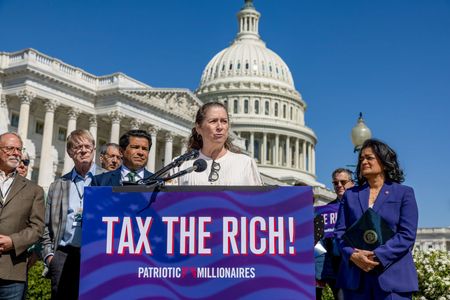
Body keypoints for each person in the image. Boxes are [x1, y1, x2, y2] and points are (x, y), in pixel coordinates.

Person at [334, 139, 418, 299]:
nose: (364, 161)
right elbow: (340, 233)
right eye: (361, 159)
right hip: (356, 278)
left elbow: (407, 235)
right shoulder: (350, 196)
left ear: (384, 162)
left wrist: (377, 255)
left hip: (393, 279)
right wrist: (352, 255)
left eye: (369, 158)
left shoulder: (404, 193)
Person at [41, 129, 101, 300]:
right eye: (77, 147)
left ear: (94, 149)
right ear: (69, 152)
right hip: (64, 255)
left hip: (97, 255)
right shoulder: (58, 185)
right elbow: (45, 226)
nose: (83, 150)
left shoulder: (106, 180)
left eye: (87, 146)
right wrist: (50, 256)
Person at [172, 102, 262, 185]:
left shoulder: (245, 163)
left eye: (224, 121)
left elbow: (258, 200)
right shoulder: (181, 165)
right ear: (198, 128)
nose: (220, 127)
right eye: (213, 121)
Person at [0, 132, 44, 299]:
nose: (16, 153)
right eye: (10, 148)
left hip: (12, 271)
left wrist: (13, 241)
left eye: (19, 149)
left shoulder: (34, 190)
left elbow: (37, 228)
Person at [316, 168, 354, 300]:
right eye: (335, 183)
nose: (339, 186)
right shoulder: (326, 210)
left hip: (355, 263)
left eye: (343, 182)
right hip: (335, 266)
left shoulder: (360, 206)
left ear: (352, 183)